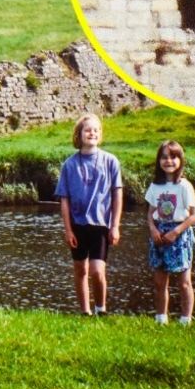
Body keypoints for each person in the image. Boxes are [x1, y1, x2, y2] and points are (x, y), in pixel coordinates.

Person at [55, 113, 123, 315]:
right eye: (87, 130)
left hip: (100, 225)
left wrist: (115, 225)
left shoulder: (110, 161)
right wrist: (68, 230)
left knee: (96, 271)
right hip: (77, 225)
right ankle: (85, 312)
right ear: (79, 135)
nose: (92, 133)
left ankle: (101, 308)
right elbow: (64, 200)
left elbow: (117, 193)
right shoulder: (69, 165)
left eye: (95, 130)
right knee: (80, 270)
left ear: (100, 134)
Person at [145, 140, 195, 325]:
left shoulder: (184, 186)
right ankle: (161, 319)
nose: (168, 161)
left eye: (173, 157)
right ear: (159, 161)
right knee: (160, 282)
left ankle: (186, 320)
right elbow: (150, 213)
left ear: (180, 160)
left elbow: (194, 216)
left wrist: (176, 232)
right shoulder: (155, 186)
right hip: (159, 234)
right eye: (164, 157)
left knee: (184, 282)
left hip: (179, 234)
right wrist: (153, 229)